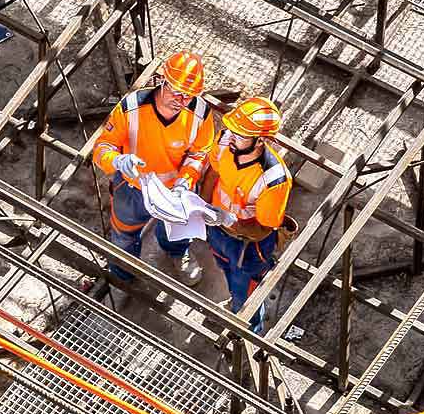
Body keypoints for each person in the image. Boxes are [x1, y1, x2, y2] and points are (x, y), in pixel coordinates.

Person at [88, 50, 212, 297]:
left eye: (188, 96)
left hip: (175, 192)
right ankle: (123, 273)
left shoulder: (200, 114)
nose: (180, 99)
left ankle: (177, 252)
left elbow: (200, 153)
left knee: (177, 231)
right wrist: (118, 160)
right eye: (175, 91)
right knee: (124, 234)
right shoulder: (132, 107)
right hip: (133, 188)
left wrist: (185, 182)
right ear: (161, 81)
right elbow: (102, 147)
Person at [201, 95, 292, 335]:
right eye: (231, 129)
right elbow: (213, 174)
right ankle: (234, 304)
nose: (231, 136)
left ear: (260, 140)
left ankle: (250, 334)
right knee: (225, 269)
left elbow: (264, 227)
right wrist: (203, 206)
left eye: (240, 134)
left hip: (248, 246)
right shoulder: (224, 142)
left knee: (247, 292)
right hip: (217, 229)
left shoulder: (274, 180)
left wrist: (231, 221)